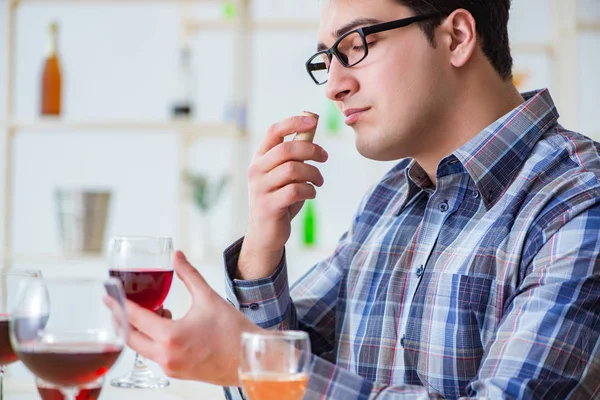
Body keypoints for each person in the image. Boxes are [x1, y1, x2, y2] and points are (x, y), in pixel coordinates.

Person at [124, 0, 600, 398]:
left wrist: (252, 361)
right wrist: (261, 252)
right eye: (326, 60)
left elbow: (274, 373)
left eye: (357, 46)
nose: (334, 85)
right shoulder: (388, 200)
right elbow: (271, 381)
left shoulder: (578, 202)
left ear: (456, 36)